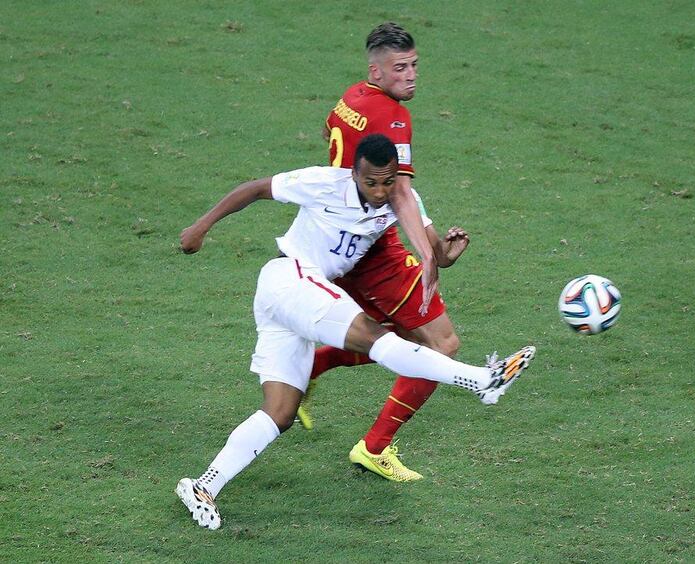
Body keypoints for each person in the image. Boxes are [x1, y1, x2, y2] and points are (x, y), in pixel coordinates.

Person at [175, 134, 536, 530]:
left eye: (388, 181)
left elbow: (438, 255)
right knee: (377, 338)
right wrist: (201, 226)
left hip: (292, 300)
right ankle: (482, 379)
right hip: (290, 279)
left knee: (280, 413)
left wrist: (450, 250)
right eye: (370, 183)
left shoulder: (404, 201)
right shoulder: (323, 182)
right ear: (354, 173)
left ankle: (202, 486)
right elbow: (257, 189)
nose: (380, 191)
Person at [297, 22, 462, 482]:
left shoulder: (350, 99)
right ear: (377, 69)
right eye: (400, 68)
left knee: (405, 340)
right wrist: (430, 255)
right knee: (442, 346)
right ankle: (375, 448)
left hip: (338, 246)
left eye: (414, 66)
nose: (411, 76)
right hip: (374, 252)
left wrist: (431, 242)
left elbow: (391, 185)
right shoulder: (393, 117)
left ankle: (308, 367)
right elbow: (401, 193)